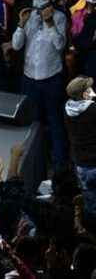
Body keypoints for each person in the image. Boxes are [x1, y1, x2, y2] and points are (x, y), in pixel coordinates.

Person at [12, 0, 67, 167]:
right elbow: (16, 45)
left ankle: (59, 166)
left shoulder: (60, 17)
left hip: (51, 78)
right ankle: (32, 165)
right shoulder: (29, 16)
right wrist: (21, 24)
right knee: (31, 124)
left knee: (55, 123)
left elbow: (60, 44)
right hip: (29, 78)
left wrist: (49, 22)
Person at [64, 76, 96, 229]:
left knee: (89, 200)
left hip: (80, 164)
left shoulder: (67, 109)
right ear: (84, 94)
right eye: (89, 89)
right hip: (94, 162)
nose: (92, 91)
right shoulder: (92, 109)